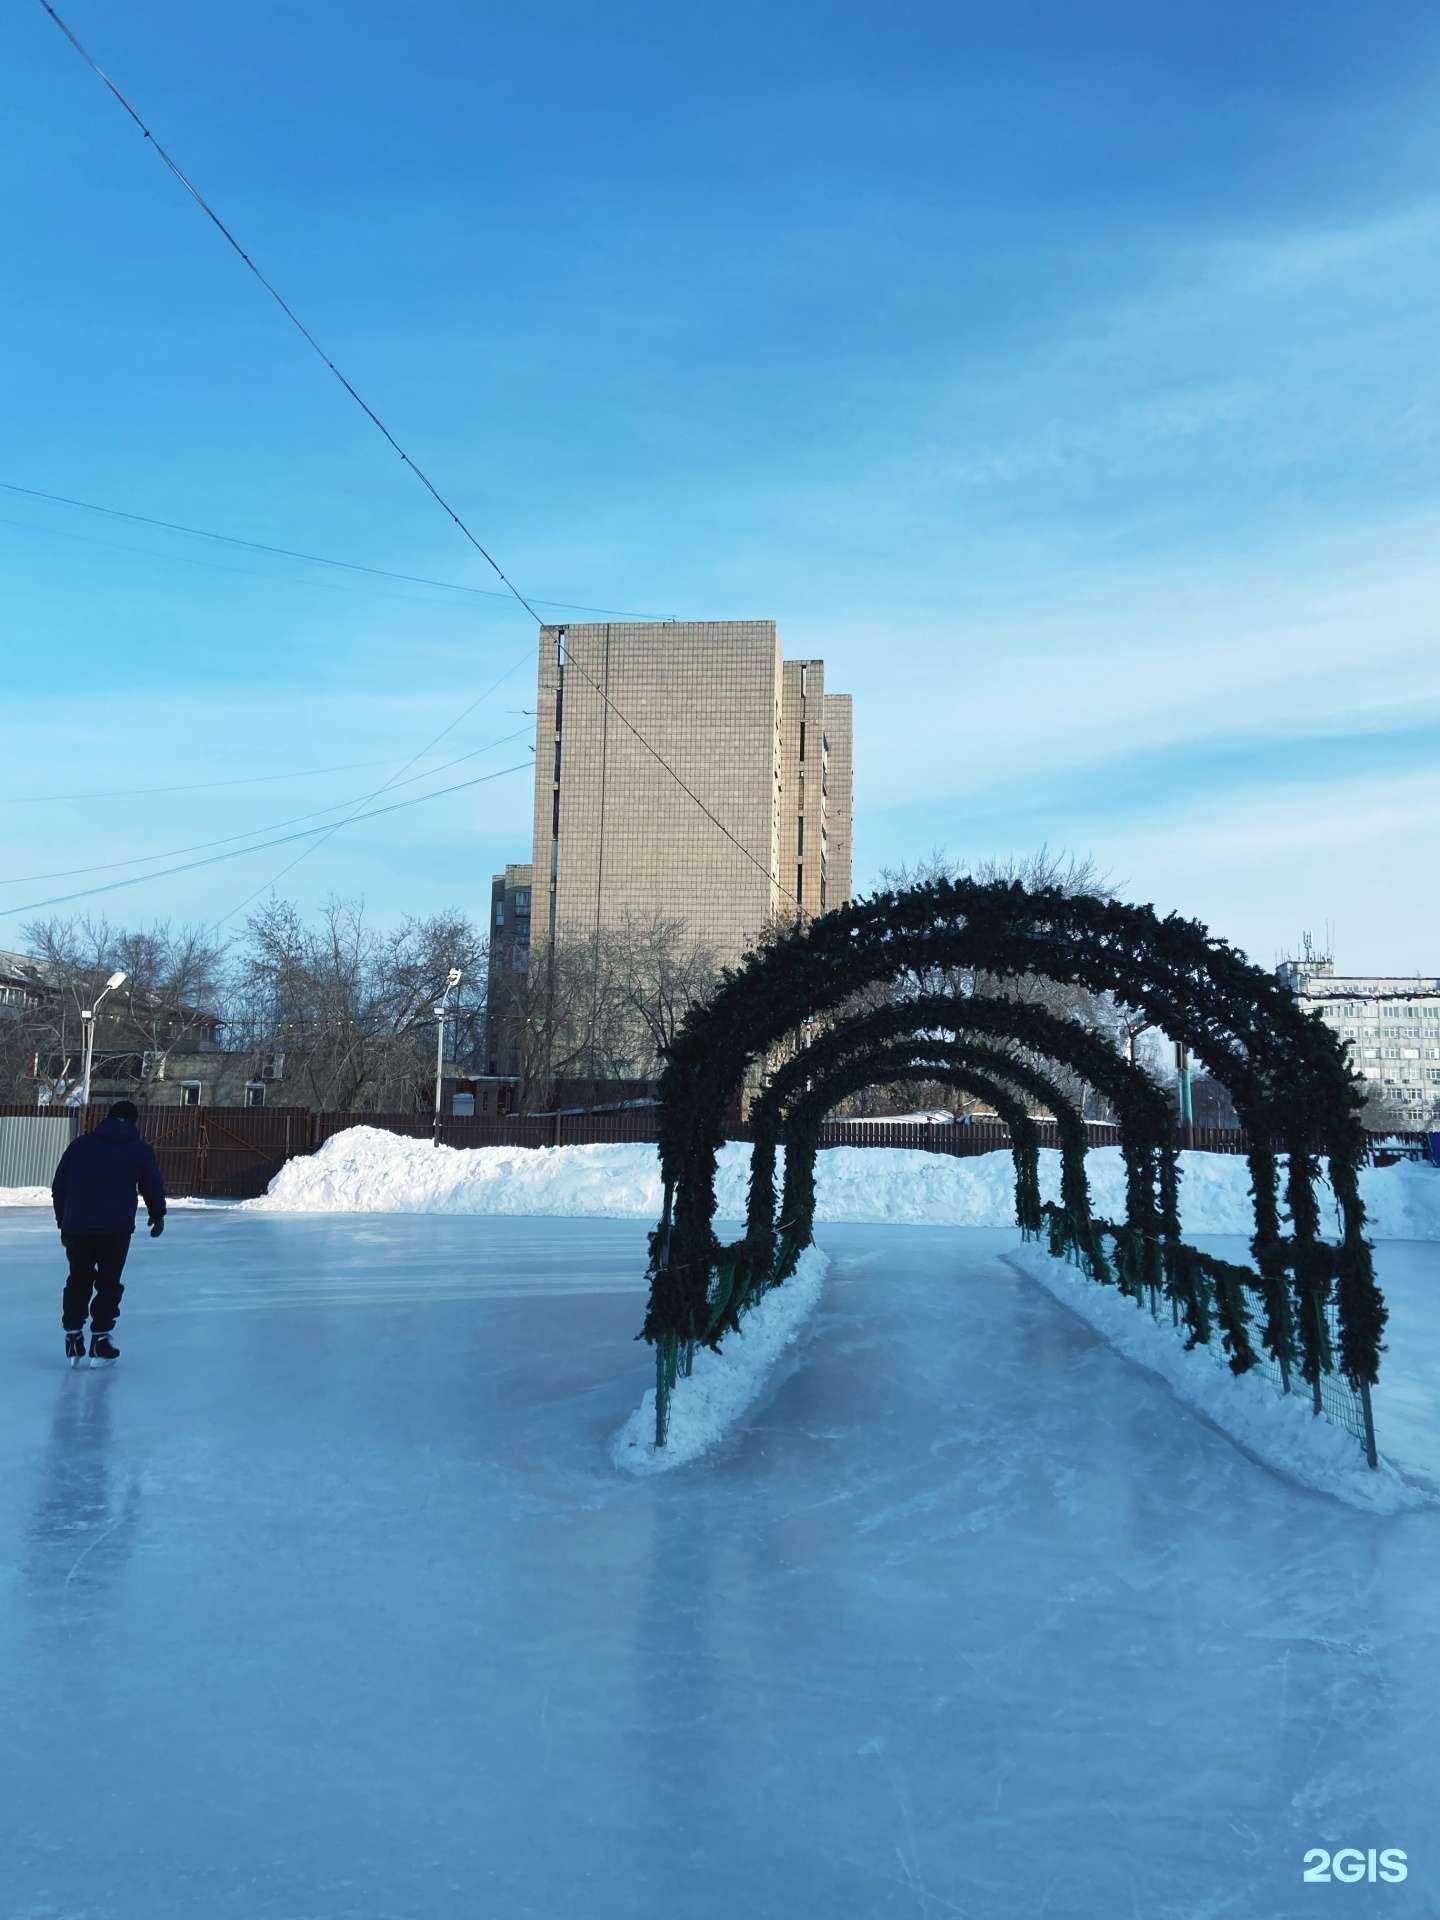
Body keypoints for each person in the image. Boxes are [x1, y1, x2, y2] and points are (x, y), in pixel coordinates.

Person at [51, 1099, 166, 1368]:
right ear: (134, 1121)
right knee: (108, 1283)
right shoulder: (139, 1150)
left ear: (108, 1118)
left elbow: (59, 1186)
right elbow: (152, 1184)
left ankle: (73, 1334)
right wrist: (157, 1214)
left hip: (77, 1227)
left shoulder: (80, 1145)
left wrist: (62, 1220)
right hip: (115, 1230)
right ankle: (100, 1340)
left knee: (78, 1278)